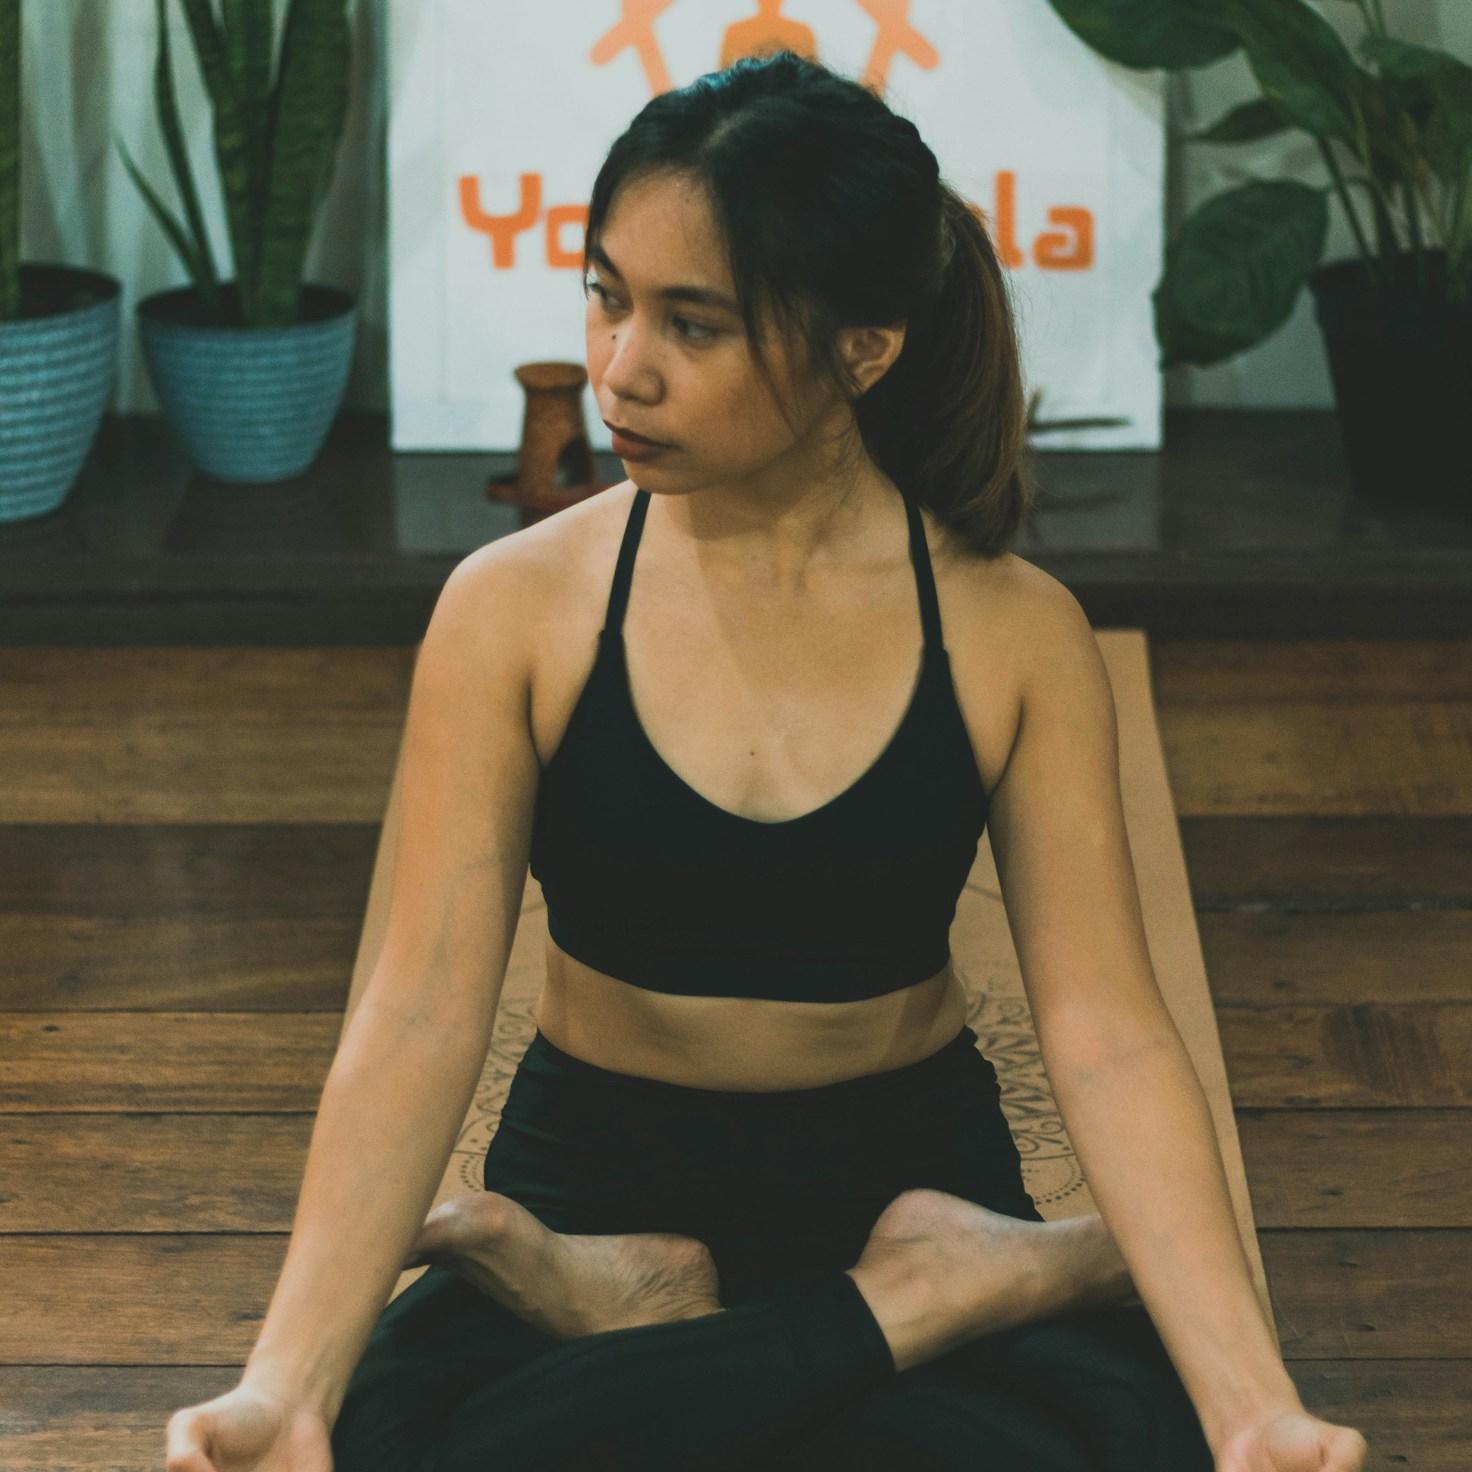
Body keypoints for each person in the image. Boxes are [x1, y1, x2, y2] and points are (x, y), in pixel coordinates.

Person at [164, 50, 1368, 1472]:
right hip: (599, 1176)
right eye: (606, 295)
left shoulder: (1010, 631)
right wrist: (284, 1385)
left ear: (864, 346)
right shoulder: (512, 611)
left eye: (697, 323)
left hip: (905, 1166)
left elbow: (1107, 1033)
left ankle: (920, 1277)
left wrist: (1251, 1407)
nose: (623, 366)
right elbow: (419, 1006)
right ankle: (896, 1303)